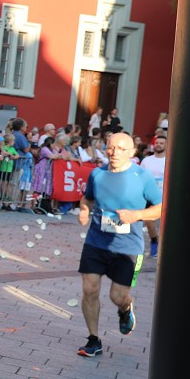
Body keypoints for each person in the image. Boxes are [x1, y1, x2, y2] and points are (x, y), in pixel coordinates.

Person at [76, 132, 162, 358]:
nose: (114, 153)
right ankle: (93, 340)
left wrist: (137, 215)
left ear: (132, 153)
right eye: (111, 148)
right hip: (96, 241)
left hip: (128, 248)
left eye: (121, 149)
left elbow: (161, 207)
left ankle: (125, 309)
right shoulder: (97, 174)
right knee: (89, 288)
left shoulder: (142, 177)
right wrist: (84, 210)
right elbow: (88, 198)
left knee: (118, 296)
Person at [139, 134, 166, 257]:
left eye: (161, 143)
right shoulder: (146, 161)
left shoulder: (168, 161)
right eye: (157, 143)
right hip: (148, 196)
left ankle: (163, 248)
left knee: (164, 224)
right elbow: (139, 177)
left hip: (164, 196)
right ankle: (154, 240)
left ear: (166, 145)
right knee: (148, 221)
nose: (158, 145)